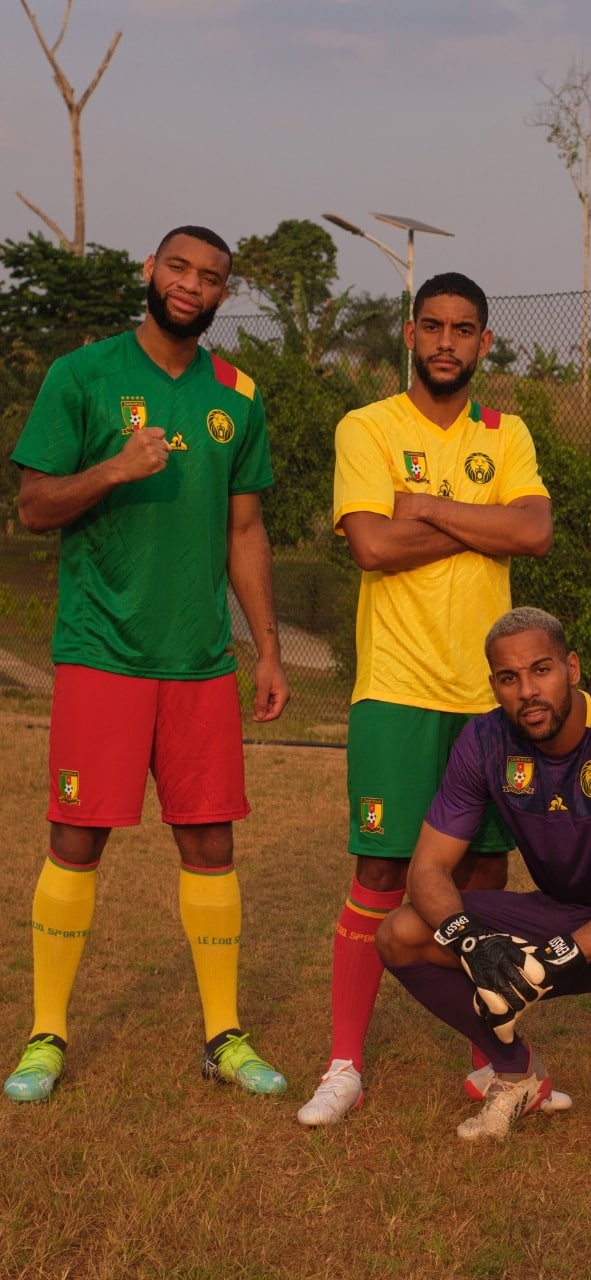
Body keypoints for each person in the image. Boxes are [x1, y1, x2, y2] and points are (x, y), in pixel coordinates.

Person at [5, 225, 290, 1103]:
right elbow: (33, 507)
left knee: (210, 840)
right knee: (77, 835)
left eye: (210, 278)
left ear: (220, 296)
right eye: (178, 268)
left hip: (200, 660)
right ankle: (46, 1034)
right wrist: (113, 470)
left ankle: (223, 1035)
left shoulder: (237, 395)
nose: (191, 286)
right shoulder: (82, 376)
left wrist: (267, 647)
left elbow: (244, 529)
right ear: (150, 272)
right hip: (103, 651)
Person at [298, 273, 555, 1126]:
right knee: (382, 870)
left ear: (486, 343)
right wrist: (477, 515)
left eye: (465, 330)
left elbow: (534, 532)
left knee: (483, 876)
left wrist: (430, 508)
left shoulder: (508, 431)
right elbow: (371, 546)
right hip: (398, 689)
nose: (448, 343)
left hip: (492, 701)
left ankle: (494, 1064)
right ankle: (343, 1065)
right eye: (434, 327)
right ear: (410, 335)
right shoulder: (366, 426)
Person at [374, 606, 591, 1164]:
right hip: (561, 910)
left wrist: (559, 956)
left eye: (541, 670)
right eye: (509, 679)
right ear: (494, 685)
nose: (527, 691)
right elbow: (427, 870)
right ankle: (516, 1073)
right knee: (403, 932)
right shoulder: (483, 742)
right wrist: (471, 941)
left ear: (572, 668)